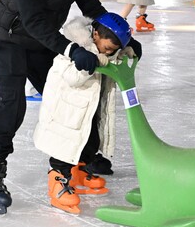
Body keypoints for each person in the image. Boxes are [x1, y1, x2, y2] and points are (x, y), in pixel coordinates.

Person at [0, 0, 141, 215]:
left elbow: (91, 5)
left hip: (43, 37)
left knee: (74, 95)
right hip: (8, 36)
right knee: (9, 103)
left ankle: (77, 161)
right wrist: (70, 48)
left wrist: (119, 37)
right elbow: (33, 19)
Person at [32, 12, 131, 214]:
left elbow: (111, 60)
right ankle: (57, 182)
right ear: (95, 34)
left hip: (89, 109)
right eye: (108, 48)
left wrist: (126, 52)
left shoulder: (105, 49)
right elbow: (72, 78)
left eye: (114, 50)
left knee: (90, 141)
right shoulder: (72, 45)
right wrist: (87, 66)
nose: (109, 52)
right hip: (66, 111)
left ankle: (79, 172)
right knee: (64, 147)